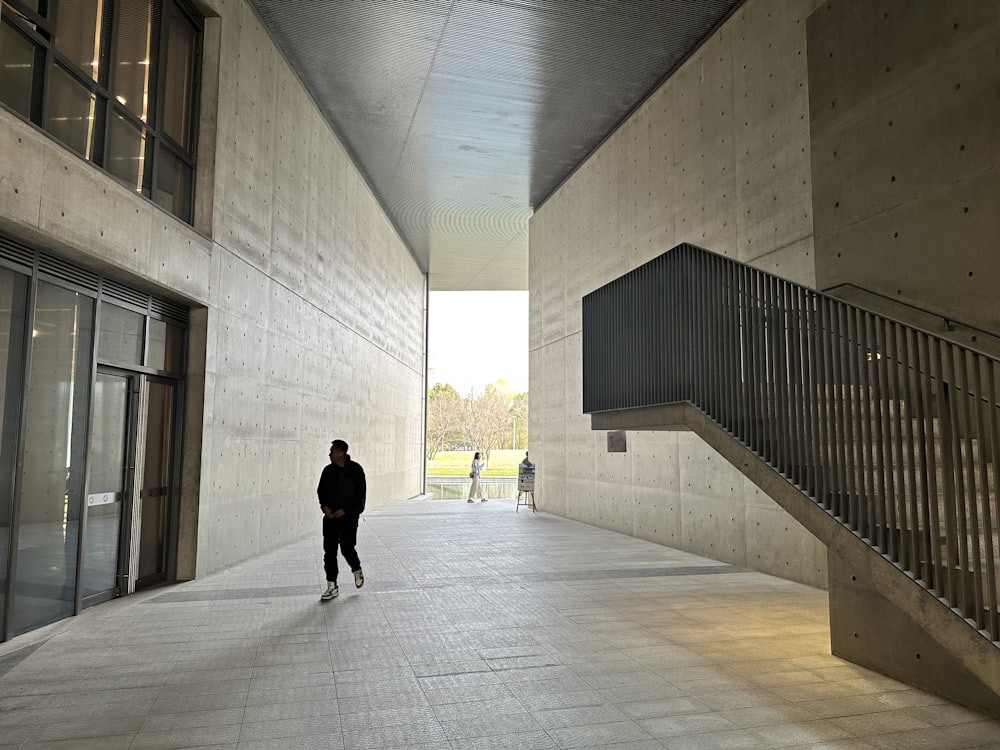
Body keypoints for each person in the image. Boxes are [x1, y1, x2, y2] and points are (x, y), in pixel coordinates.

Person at [317, 439, 366, 600]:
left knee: (346, 547)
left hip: (349, 518)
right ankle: (332, 586)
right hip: (330, 518)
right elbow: (320, 491)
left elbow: (360, 496)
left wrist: (345, 511)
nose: (329, 454)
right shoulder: (327, 471)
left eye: (332, 451)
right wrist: (324, 507)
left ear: (341, 453)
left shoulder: (355, 470)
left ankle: (356, 570)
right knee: (329, 552)